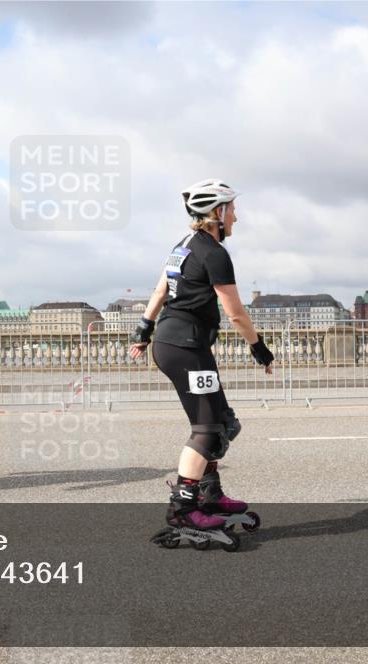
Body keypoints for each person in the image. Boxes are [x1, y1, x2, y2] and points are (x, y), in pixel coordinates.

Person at [129, 179, 274, 539]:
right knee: (207, 429)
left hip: (178, 343)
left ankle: (209, 495)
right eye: (233, 211)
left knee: (224, 423)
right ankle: (183, 510)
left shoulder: (183, 247)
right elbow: (236, 312)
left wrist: (144, 331)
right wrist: (260, 349)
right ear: (217, 213)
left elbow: (161, 289)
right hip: (185, 346)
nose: (236, 218)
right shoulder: (213, 252)